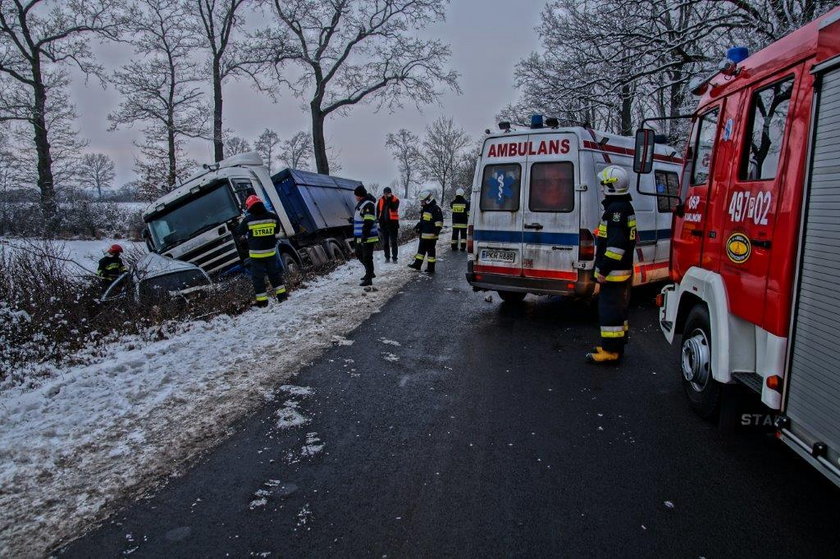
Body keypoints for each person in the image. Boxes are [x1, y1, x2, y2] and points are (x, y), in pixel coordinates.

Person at [586, 166, 636, 364]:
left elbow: (616, 246)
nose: (602, 187)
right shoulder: (622, 207)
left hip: (614, 272)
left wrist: (603, 270)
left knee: (609, 311)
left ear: (612, 186)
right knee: (618, 310)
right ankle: (616, 346)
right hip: (621, 271)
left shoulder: (616, 210)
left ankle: (610, 351)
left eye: (604, 184)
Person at [236, 194, 287, 307]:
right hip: (271, 253)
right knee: (275, 275)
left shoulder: (248, 220)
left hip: (256, 256)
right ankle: (282, 297)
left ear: (249, 207)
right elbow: (276, 230)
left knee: (258, 279)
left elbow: (240, 232)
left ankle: (263, 302)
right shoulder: (272, 217)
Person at [408, 189, 443, 273]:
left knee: (431, 252)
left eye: (422, 201)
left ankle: (431, 269)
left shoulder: (435, 209)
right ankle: (417, 265)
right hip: (424, 234)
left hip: (431, 236)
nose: (421, 203)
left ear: (428, 200)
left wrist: (436, 231)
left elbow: (439, 222)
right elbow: (424, 221)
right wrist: (418, 226)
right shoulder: (425, 209)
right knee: (421, 251)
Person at [353, 185, 379, 286]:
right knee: (359, 254)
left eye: (356, 195)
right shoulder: (361, 204)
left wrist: (364, 234)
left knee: (367, 257)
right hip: (360, 235)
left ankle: (369, 278)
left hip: (367, 236)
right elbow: (361, 218)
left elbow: (368, 221)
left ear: (360, 195)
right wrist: (353, 220)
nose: (355, 197)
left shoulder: (368, 205)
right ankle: (369, 272)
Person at [376, 187, 400, 262]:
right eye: (385, 193)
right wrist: (379, 221)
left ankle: (395, 258)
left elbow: (393, 208)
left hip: (393, 225)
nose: (386, 195)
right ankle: (387, 257)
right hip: (384, 225)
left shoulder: (395, 200)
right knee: (385, 242)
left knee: (393, 242)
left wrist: (389, 199)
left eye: (388, 193)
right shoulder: (380, 200)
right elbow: (378, 211)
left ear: (390, 193)